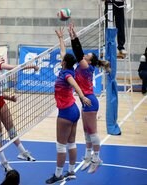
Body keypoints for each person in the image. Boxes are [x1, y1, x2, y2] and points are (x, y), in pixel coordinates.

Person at [45, 28, 92, 184]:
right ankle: (71, 172)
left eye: (63, 59)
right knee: (71, 142)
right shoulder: (67, 68)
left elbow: (75, 84)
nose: (61, 59)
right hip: (73, 111)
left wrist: (82, 96)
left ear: (64, 63)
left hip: (65, 113)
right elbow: (63, 51)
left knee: (61, 146)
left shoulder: (67, 74)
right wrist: (61, 38)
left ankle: (58, 174)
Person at [0, 53, 38, 172]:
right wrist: (32, 66)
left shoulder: (0, 72)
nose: (1, 57)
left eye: (2, 56)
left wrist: (10, 98)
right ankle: (4, 162)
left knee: (11, 128)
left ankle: (23, 152)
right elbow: (17, 67)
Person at [68, 23, 111, 173]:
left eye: (88, 56)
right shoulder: (82, 65)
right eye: (86, 55)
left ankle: (97, 158)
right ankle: (87, 157)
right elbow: (78, 53)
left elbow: (78, 52)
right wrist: (73, 35)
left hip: (90, 101)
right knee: (86, 131)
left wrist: (74, 36)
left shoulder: (87, 67)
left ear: (90, 61)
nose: (85, 55)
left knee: (92, 131)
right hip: (85, 101)